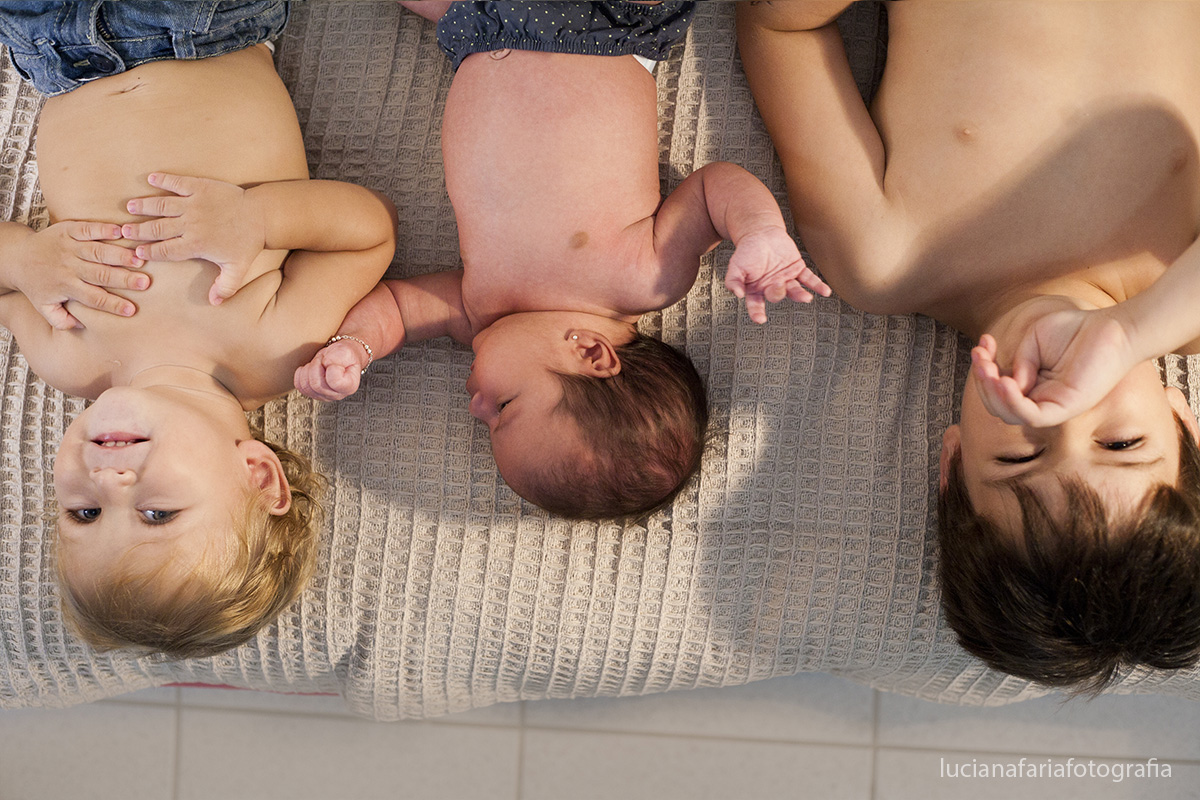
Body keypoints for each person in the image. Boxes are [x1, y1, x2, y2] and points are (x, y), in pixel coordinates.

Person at [737, 0, 1200, 692]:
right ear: (1183, 422)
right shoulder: (1183, 302)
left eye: (1019, 455)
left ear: (952, 463)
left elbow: (777, 24)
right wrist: (1130, 330)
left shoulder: (887, 260)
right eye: (1122, 443)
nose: (1063, 408)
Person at [295, 1, 831, 520]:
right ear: (590, 353)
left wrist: (355, 348)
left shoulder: (479, 313)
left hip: (482, 22)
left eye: (485, 423)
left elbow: (398, 307)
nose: (474, 406)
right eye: (503, 409)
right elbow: (715, 190)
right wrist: (759, 231)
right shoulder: (645, 278)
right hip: (601, 22)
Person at [0, 1, 396, 658]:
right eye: (156, 514)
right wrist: (257, 219)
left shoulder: (68, 359)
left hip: (55, 47)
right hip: (200, 27)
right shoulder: (276, 348)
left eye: (84, 513)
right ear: (259, 477)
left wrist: (23, 259)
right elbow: (369, 233)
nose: (110, 482)